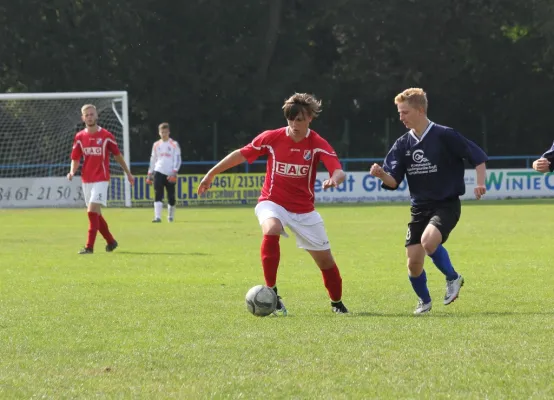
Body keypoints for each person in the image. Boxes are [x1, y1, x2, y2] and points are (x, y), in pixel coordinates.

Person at [197, 93, 349, 314]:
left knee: (326, 262)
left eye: (300, 119)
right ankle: (273, 293)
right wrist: (211, 174)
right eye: (290, 118)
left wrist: (334, 179)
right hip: (272, 202)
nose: (294, 124)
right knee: (272, 228)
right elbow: (241, 154)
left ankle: (337, 303)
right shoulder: (272, 138)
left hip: (304, 210)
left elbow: (338, 169)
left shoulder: (317, 143)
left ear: (310, 119)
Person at [369, 88, 488, 314]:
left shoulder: (445, 135)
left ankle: (453, 278)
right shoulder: (403, 144)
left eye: (404, 112)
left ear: (420, 110)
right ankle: (424, 301)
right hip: (419, 208)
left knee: (429, 241)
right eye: (399, 113)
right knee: (413, 263)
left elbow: (478, 158)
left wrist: (480, 182)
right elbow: (393, 182)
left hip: (446, 204)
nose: (401, 117)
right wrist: (381, 175)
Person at [67, 104, 134, 254]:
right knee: (96, 215)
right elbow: (75, 158)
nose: (90, 117)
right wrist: (72, 171)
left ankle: (89, 247)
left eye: (92, 114)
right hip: (87, 180)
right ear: (83, 118)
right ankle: (111, 241)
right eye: (87, 115)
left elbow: (118, 156)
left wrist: (128, 173)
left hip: (101, 179)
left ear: (97, 116)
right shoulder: (79, 137)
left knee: (91, 212)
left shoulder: (106, 136)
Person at [146, 122, 182, 222]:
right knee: (158, 194)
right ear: (159, 133)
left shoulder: (174, 144)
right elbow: (153, 159)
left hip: (170, 173)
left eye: (165, 132)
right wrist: (150, 173)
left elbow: (178, 159)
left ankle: (170, 216)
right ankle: (157, 217)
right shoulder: (156, 145)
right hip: (158, 171)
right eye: (162, 132)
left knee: (171, 196)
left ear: (169, 132)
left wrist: (175, 171)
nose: (164, 134)